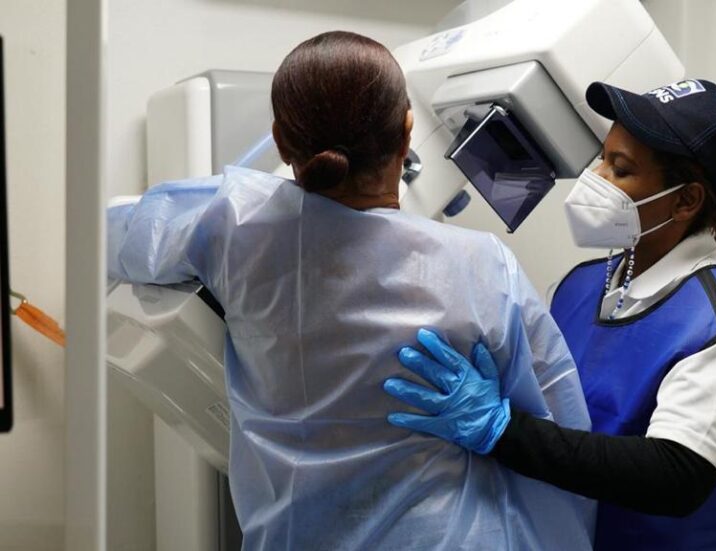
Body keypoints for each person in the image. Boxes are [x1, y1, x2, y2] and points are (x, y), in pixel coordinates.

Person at [107, 31, 595, 550]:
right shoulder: (483, 266)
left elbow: (115, 236)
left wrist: (259, 202)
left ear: (280, 140)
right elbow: (560, 433)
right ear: (407, 131)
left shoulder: (234, 224)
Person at [385, 79, 716, 550]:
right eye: (601, 159)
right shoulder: (582, 285)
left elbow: (677, 475)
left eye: (620, 169)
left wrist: (502, 431)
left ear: (686, 201)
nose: (596, 179)